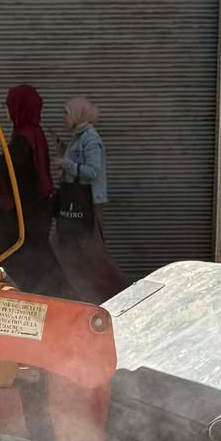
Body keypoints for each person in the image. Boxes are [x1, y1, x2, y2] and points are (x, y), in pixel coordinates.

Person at [0, 83, 67, 295]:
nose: (7, 109)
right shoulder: (32, 135)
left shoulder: (25, 140)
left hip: (24, 215)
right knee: (35, 261)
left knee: (10, 258)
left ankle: (63, 301)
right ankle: (64, 299)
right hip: (30, 213)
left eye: (9, 104)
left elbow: (3, 166)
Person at [52, 95, 130, 304]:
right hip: (77, 202)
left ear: (78, 114)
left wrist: (66, 164)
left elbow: (93, 171)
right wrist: (64, 151)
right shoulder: (78, 137)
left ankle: (121, 293)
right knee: (69, 248)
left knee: (93, 251)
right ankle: (88, 294)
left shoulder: (90, 139)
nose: (64, 117)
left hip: (88, 202)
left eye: (67, 113)